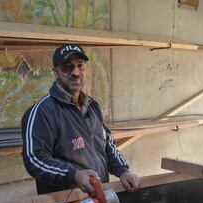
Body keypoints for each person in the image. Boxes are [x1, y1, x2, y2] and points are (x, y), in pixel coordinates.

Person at [21, 44, 140, 194]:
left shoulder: (92, 106)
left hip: (100, 195)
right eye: (67, 66)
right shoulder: (42, 112)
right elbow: (35, 159)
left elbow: (108, 144)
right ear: (55, 72)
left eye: (80, 66)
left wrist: (123, 171)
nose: (75, 72)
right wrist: (74, 175)